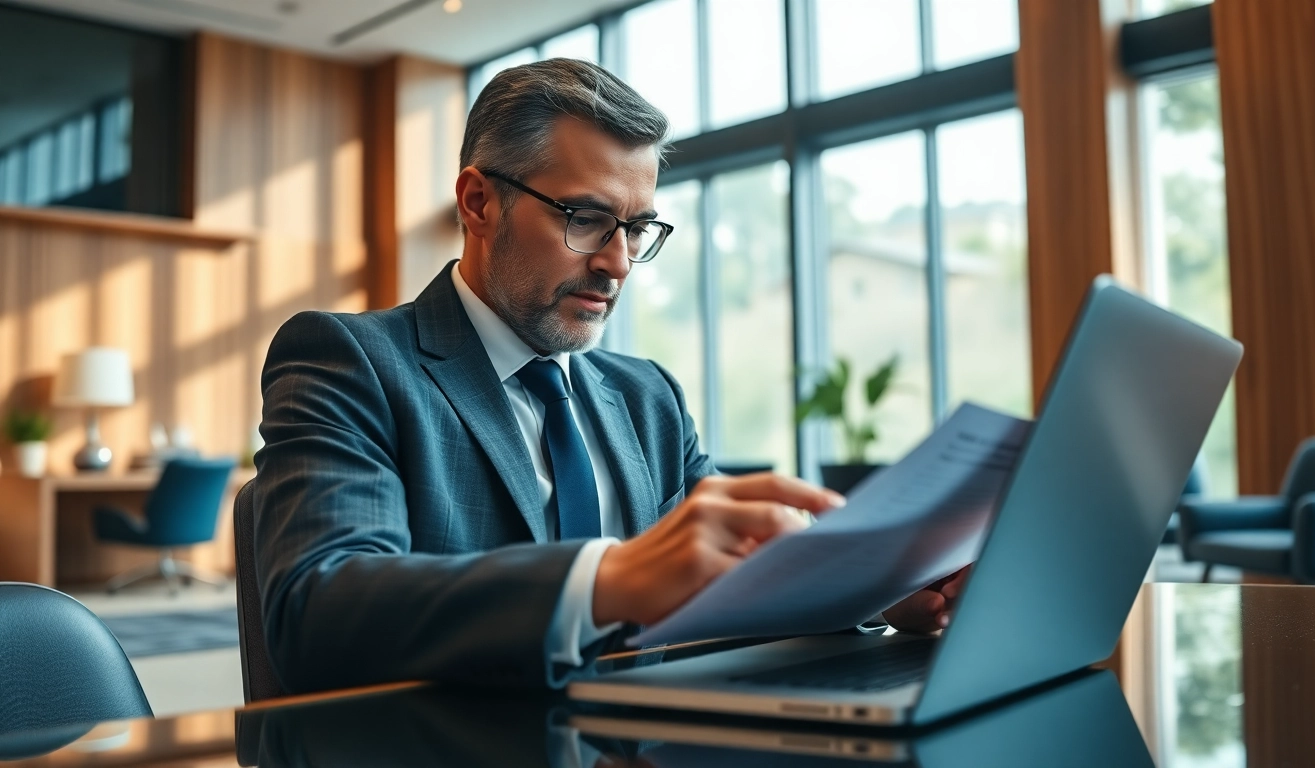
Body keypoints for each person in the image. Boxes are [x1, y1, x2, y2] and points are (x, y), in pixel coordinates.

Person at [252, 58, 965, 695]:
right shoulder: (350, 359)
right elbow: (318, 610)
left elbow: (746, 574)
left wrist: (875, 588)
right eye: (586, 218)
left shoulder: (646, 395)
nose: (618, 262)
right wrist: (609, 580)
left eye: (638, 228)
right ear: (478, 203)